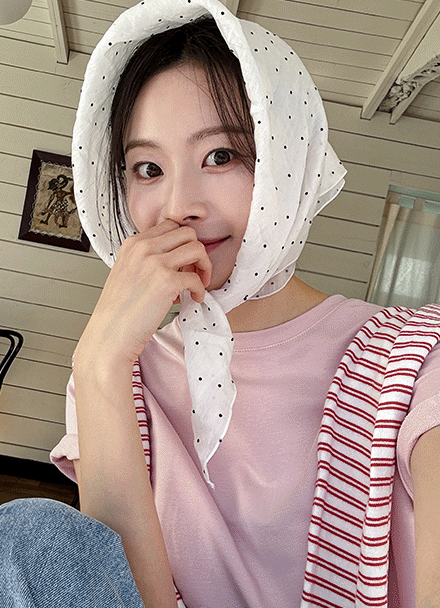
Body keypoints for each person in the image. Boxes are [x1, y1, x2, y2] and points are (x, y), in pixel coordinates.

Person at [2, 1, 440, 607]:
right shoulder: (112, 375)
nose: (180, 205)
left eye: (221, 156)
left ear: (290, 161)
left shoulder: (414, 361)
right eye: (147, 168)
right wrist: (98, 363)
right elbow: (120, 593)